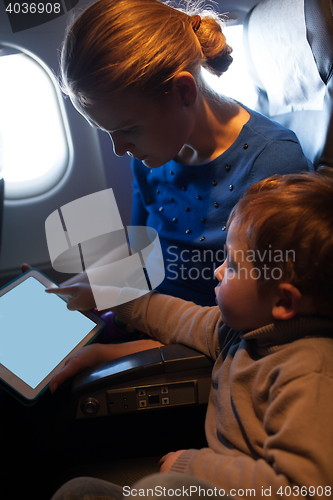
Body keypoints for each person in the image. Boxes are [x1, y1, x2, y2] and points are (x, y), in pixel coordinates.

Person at [48, 172, 333, 499]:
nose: (218, 270)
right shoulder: (241, 332)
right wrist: (106, 294)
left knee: (159, 487)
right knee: (79, 491)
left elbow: (307, 488)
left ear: (282, 302)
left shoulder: (310, 374)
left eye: (233, 265)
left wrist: (193, 466)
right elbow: (175, 317)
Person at [57, 0, 313, 319]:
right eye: (106, 131)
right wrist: (74, 290)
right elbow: (142, 255)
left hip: (199, 335)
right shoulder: (152, 153)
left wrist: (121, 353)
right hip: (141, 311)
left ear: (183, 92)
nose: (119, 149)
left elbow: (261, 312)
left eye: (127, 129)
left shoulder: (272, 162)